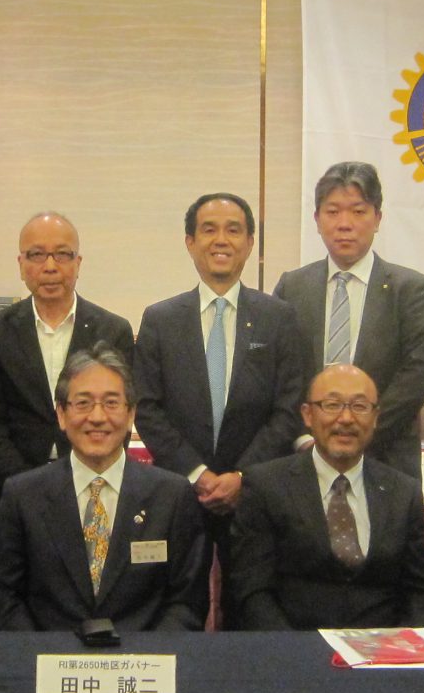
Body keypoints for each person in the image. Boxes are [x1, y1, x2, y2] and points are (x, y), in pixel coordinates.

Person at [0, 348, 208, 632]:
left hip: (144, 655)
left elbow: (187, 602)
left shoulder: (171, 496)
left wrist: (144, 655)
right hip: (49, 655)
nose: (98, 416)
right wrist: (44, 653)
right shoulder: (23, 495)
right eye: (83, 403)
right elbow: (3, 600)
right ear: (61, 414)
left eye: (111, 403)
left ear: (131, 414)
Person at [132, 193, 308, 550]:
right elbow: (147, 409)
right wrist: (197, 474)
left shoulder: (279, 318)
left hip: (256, 495)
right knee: (179, 585)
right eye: (209, 230)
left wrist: (242, 476)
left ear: (250, 243)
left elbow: (289, 408)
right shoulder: (160, 320)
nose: (221, 240)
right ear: (190, 242)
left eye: (233, 230)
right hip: (179, 491)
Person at [225, 364, 424, 630]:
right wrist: (293, 649)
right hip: (295, 644)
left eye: (359, 406)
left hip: (385, 647)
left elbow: (419, 592)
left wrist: (409, 644)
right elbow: (253, 590)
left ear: (375, 418)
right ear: (308, 415)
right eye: (332, 405)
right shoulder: (266, 486)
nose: (346, 418)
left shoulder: (403, 492)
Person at [0, 211, 135, 536]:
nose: (50, 266)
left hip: (94, 495)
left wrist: (79, 486)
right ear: (21, 264)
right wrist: (32, 492)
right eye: (36, 255)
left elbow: (118, 422)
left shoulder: (113, 330)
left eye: (62, 254)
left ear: (78, 263)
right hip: (13, 498)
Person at [272, 161, 424, 480]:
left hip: (386, 458)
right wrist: (308, 438)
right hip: (304, 458)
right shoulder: (292, 287)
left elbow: (416, 376)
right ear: (317, 220)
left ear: (378, 219)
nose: (344, 224)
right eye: (333, 212)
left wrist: (356, 435)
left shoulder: (409, 289)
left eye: (358, 212)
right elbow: (280, 374)